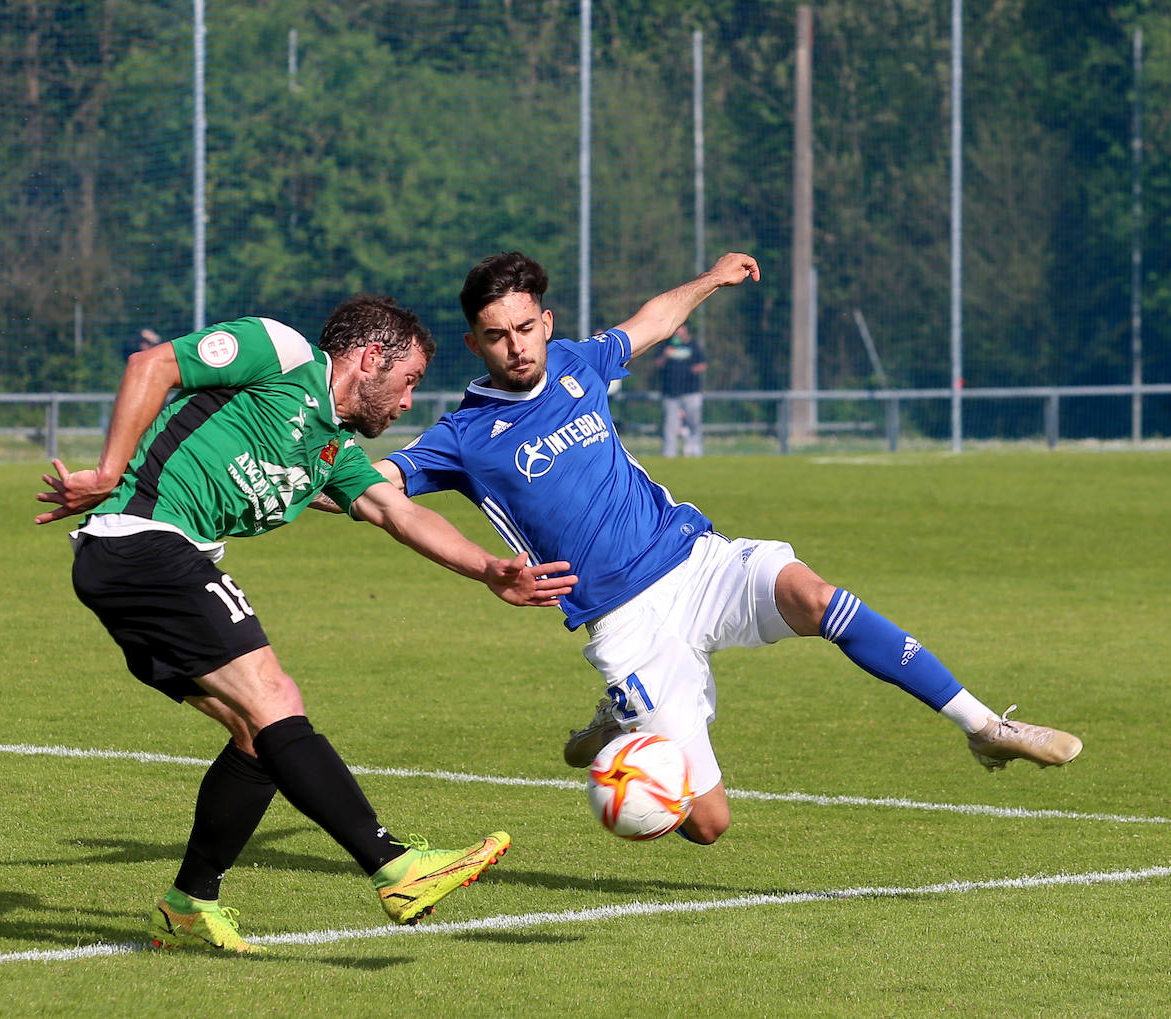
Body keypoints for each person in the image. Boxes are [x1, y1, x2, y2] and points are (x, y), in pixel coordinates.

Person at [368, 250, 1082, 847]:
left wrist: (710, 279)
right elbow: (375, 485)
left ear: (547, 321)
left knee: (816, 596)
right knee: (708, 825)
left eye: (527, 327)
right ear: (475, 345)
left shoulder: (580, 363)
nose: (517, 346)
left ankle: (986, 726)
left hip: (698, 560)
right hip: (627, 627)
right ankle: (625, 728)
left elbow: (652, 321)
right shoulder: (463, 436)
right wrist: (314, 450)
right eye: (497, 336)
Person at [34, 296, 576, 952]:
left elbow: (398, 511)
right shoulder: (282, 352)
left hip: (134, 564)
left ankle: (187, 904)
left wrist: (489, 567)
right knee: (277, 701)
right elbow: (151, 364)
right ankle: (395, 865)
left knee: (258, 735)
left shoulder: (331, 451)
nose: (408, 402)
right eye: (407, 380)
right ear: (371, 356)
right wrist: (111, 469)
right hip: (143, 540)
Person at [652, 323, 706, 457]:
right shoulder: (665, 345)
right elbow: (657, 364)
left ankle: (695, 450)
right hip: (671, 392)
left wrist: (693, 370)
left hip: (691, 391)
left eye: (680, 328)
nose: (678, 332)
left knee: (694, 422)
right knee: (670, 425)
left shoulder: (693, 346)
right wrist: (665, 355)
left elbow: (703, 364)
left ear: (686, 330)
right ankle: (669, 453)